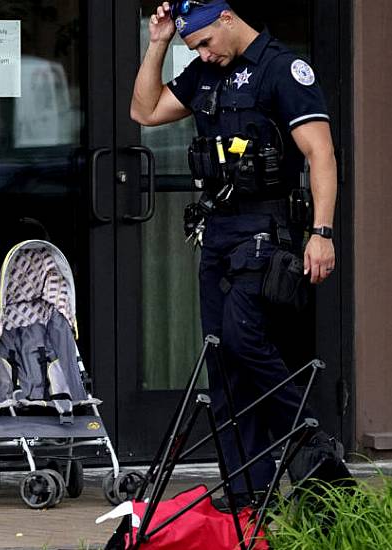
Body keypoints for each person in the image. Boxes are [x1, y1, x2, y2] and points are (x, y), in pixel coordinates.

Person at [130, 1, 342, 507]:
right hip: (219, 230)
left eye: (203, 43)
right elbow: (145, 110)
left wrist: (323, 231)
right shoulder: (205, 71)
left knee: (246, 341)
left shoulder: (281, 69)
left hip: (267, 231)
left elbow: (322, 155)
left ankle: (310, 435)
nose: (202, 54)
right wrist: (157, 43)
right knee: (223, 361)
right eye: (191, 48)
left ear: (226, 19)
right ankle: (248, 492)